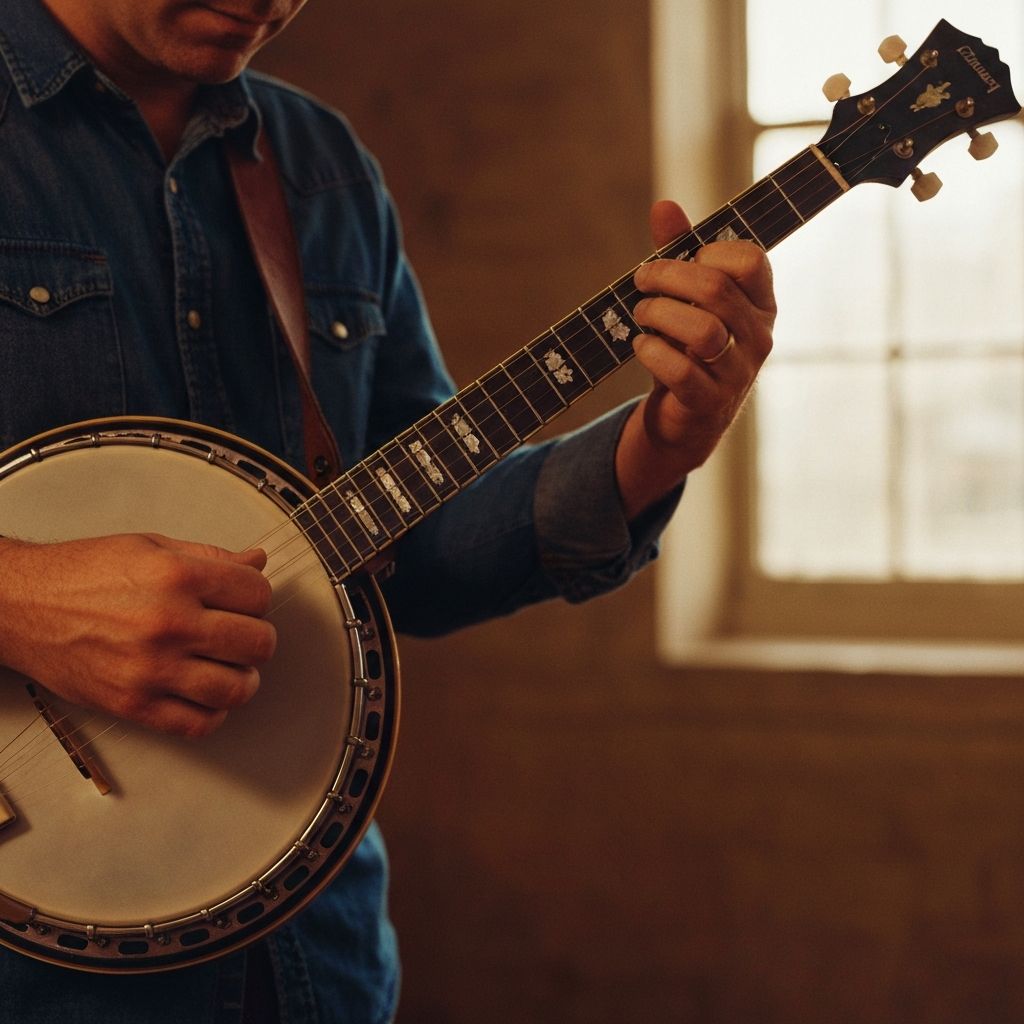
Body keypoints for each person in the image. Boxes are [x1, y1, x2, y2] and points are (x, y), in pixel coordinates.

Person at [0, 0, 776, 1021]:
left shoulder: (319, 167)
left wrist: (662, 443)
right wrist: (22, 596)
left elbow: (408, 545)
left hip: (313, 954)